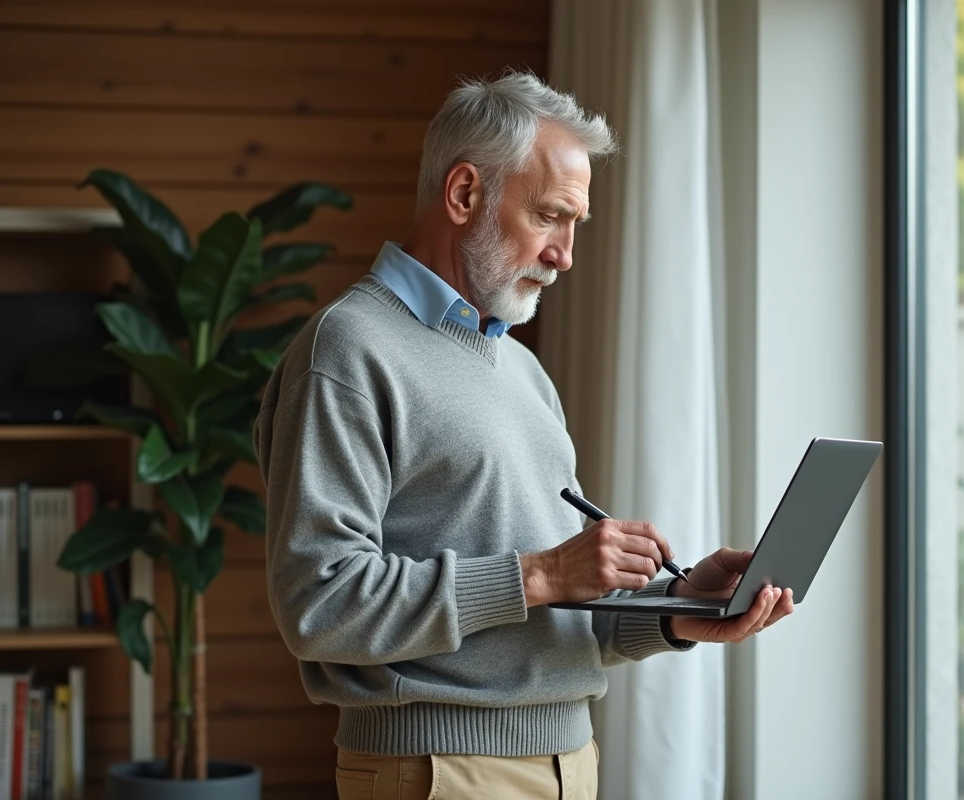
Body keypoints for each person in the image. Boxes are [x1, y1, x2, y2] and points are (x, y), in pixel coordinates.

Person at [254, 72, 795, 800]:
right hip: (441, 772)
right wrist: (542, 573)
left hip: (568, 762)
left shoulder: (521, 369)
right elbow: (319, 604)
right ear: (465, 194)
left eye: (576, 225)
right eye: (549, 216)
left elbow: (549, 618)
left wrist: (676, 611)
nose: (565, 253)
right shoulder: (348, 351)